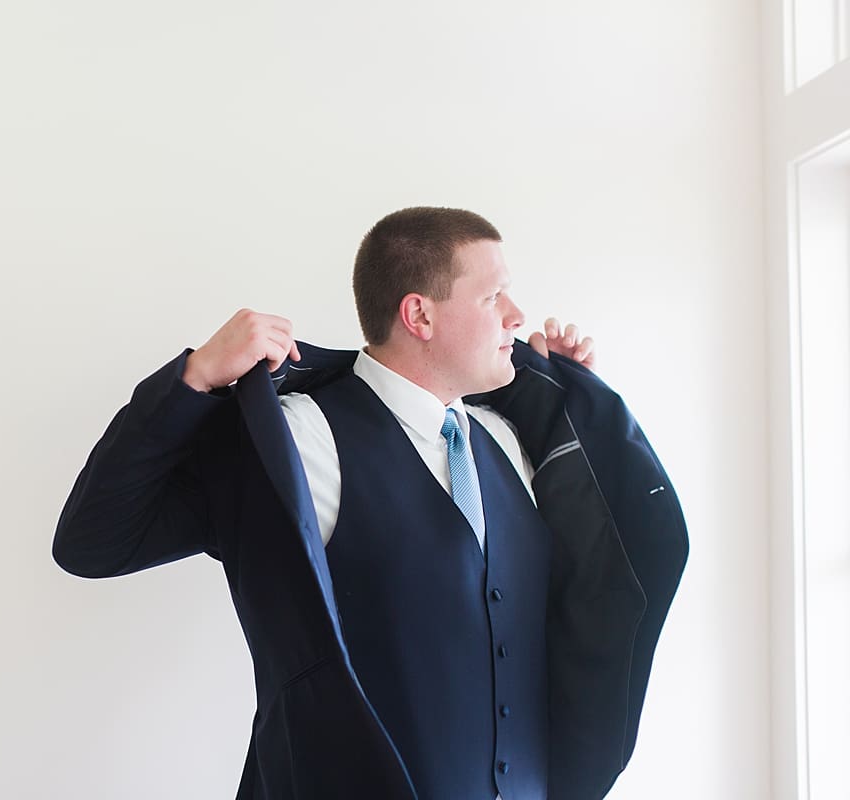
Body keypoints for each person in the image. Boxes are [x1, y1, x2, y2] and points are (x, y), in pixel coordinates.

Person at [54, 207, 687, 800]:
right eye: (494, 296)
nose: (517, 315)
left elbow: (594, 584)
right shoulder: (304, 438)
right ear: (420, 316)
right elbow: (96, 541)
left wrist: (573, 396)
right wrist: (193, 379)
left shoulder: (511, 438)